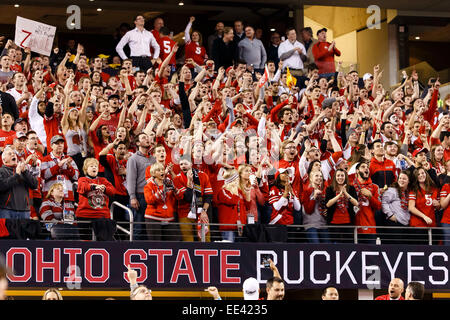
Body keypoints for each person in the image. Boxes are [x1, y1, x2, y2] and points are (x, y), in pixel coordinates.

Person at [76, 158, 116, 239]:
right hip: (85, 214)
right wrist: (94, 186)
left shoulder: (103, 180)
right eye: (91, 166)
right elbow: (82, 187)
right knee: (85, 241)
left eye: (96, 166)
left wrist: (105, 189)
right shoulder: (82, 179)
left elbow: (113, 191)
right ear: (86, 169)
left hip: (101, 215)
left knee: (105, 240)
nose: (94, 168)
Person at [126, 132, 153, 240]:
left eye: (147, 137)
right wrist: (132, 197)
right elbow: (130, 179)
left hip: (152, 195)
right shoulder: (133, 159)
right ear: (138, 143)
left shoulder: (153, 159)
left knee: (149, 228)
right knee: (139, 227)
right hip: (140, 196)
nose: (147, 139)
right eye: (143, 138)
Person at [144, 162, 179, 241]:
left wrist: (175, 190)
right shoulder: (148, 186)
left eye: (163, 170)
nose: (162, 172)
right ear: (153, 173)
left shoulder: (168, 184)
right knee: (155, 244)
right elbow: (149, 200)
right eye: (159, 170)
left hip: (168, 217)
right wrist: (158, 194)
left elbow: (179, 198)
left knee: (174, 242)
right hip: (153, 217)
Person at [0, 146, 38, 219]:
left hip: (24, 211)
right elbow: (2, 186)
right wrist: (16, 175)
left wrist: (25, 172)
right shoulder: (1, 171)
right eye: (10, 154)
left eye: (14, 153)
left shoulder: (23, 171)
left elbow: (35, 185)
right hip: (6, 210)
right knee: (7, 231)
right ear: (4, 159)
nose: (13, 155)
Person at [325, 169, 358, 242]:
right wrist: (339, 195)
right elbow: (328, 204)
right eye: (338, 175)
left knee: (347, 246)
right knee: (335, 246)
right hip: (334, 223)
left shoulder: (351, 188)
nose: (340, 177)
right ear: (335, 177)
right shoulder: (330, 189)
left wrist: (346, 193)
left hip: (348, 222)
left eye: (342, 175)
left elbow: (356, 203)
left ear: (345, 177)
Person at [381, 171, 411, 244]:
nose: (401, 180)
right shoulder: (392, 190)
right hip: (394, 225)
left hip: (405, 225)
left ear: (409, 181)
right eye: (400, 178)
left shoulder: (409, 193)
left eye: (404, 179)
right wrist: (390, 215)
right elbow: (384, 202)